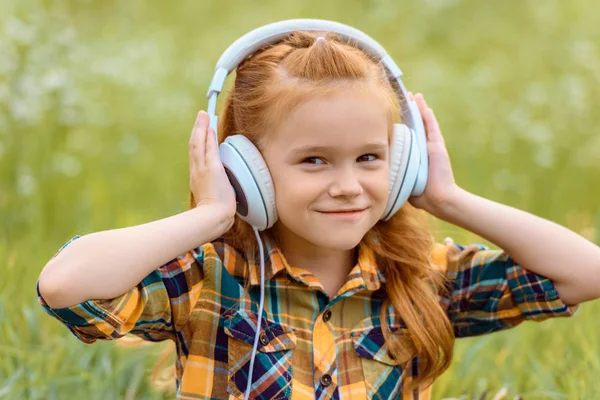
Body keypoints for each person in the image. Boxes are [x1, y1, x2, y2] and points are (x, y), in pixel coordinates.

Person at [36, 20, 600, 400]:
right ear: (247, 169)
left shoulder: (419, 277)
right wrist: (211, 214)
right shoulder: (209, 278)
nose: (349, 185)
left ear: (402, 164)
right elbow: (66, 286)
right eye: (314, 161)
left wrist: (450, 200)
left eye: (370, 157)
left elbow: (585, 273)